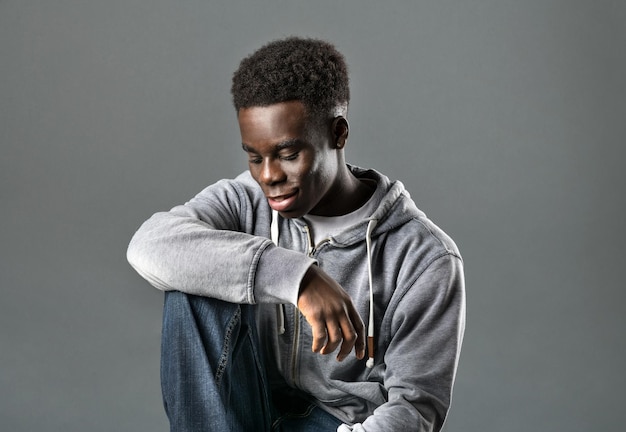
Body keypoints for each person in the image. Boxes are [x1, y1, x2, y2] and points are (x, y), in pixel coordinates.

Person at [127, 36, 465, 432]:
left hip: (341, 424)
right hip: (239, 410)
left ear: (338, 134)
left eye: (288, 155)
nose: (269, 175)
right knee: (189, 278)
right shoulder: (244, 201)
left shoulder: (423, 257)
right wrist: (296, 278)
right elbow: (147, 245)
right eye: (255, 157)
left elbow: (415, 408)